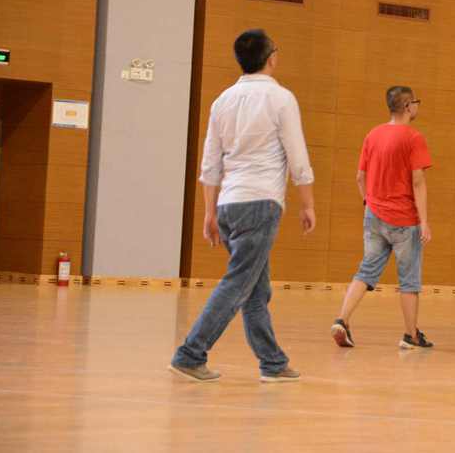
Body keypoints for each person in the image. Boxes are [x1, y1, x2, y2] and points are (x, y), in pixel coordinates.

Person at [170, 29, 315, 383]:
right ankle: (190, 354)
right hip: (260, 203)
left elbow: (210, 163)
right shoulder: (281, 99)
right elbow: (298, 158)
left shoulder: (222, 100)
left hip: (228, 205)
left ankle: (273, 363)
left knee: (255, 287)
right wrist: (307, 204)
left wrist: (210, 212)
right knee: (238, 283)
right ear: (271, 58)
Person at [330, 86, 434, 349]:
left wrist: (369, 203)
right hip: (404, 218)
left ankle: (342, 319)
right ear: (408, 106)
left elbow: (360, 177)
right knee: (409, 280)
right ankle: (410, 335)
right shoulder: (413, 137)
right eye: (416, 102)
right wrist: (424, 221)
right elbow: (418, 181)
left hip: (374, 214)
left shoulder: (373, 134)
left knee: (367, 270)